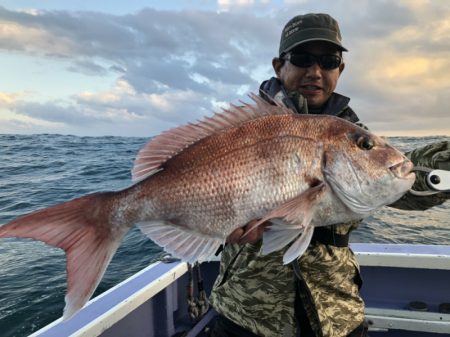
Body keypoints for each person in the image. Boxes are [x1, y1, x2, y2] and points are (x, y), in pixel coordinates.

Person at [208, 13, 450, 337]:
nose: (315, 72)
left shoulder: (355, 137)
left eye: (328, 60)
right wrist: (208, 224)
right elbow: (196, 186)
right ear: (279, 66)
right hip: (244, 313)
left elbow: (408, 181)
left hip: (336, 316)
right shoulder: (239, 131)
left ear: (340, 69)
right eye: (303, 58)